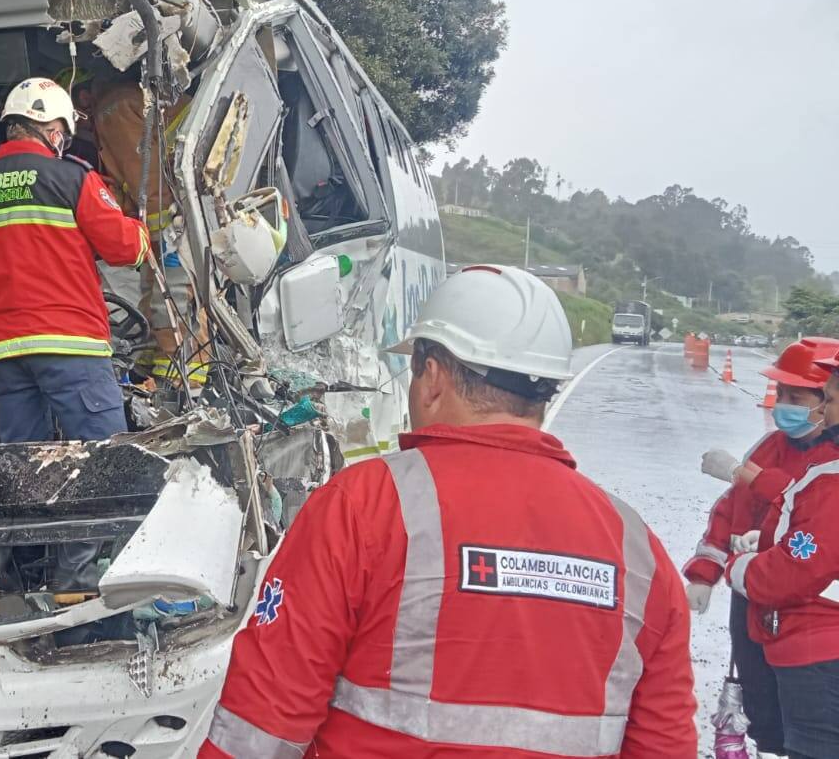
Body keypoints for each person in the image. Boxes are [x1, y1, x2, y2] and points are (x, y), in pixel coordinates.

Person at [200, 264, 697, 758]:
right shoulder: (640, 553)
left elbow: (260, 726)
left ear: (432, 376)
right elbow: (666, 745)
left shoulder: (362, 508)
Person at [0, 76, 149, 594]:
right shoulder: (72, 178)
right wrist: (142, 232)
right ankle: (73, 576)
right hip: (71, 344)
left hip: (5, 353)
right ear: (52, 128)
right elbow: (123, 249)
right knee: (98, 456)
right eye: (64, 132)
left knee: (18, 457)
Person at [689, 338, 839, 757]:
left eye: (800, 397)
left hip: (807, 617)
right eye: (782, 394)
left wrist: (748, 476)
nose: (784, 405)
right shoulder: (771, 448)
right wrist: (707, 570)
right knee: (763, 709)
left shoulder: (828, 463)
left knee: (810, 730)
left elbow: (803, 513)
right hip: (756, 602)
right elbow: (731, 510)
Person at [91, 77, 208, 387]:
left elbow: (146, 178)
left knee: (170, 297)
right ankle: (152, 364)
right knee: (154, 292)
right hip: (181, 209)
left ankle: (184, 379)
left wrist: (155, 234)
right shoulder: (127, 101)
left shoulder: (111, 110)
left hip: (171, 219)